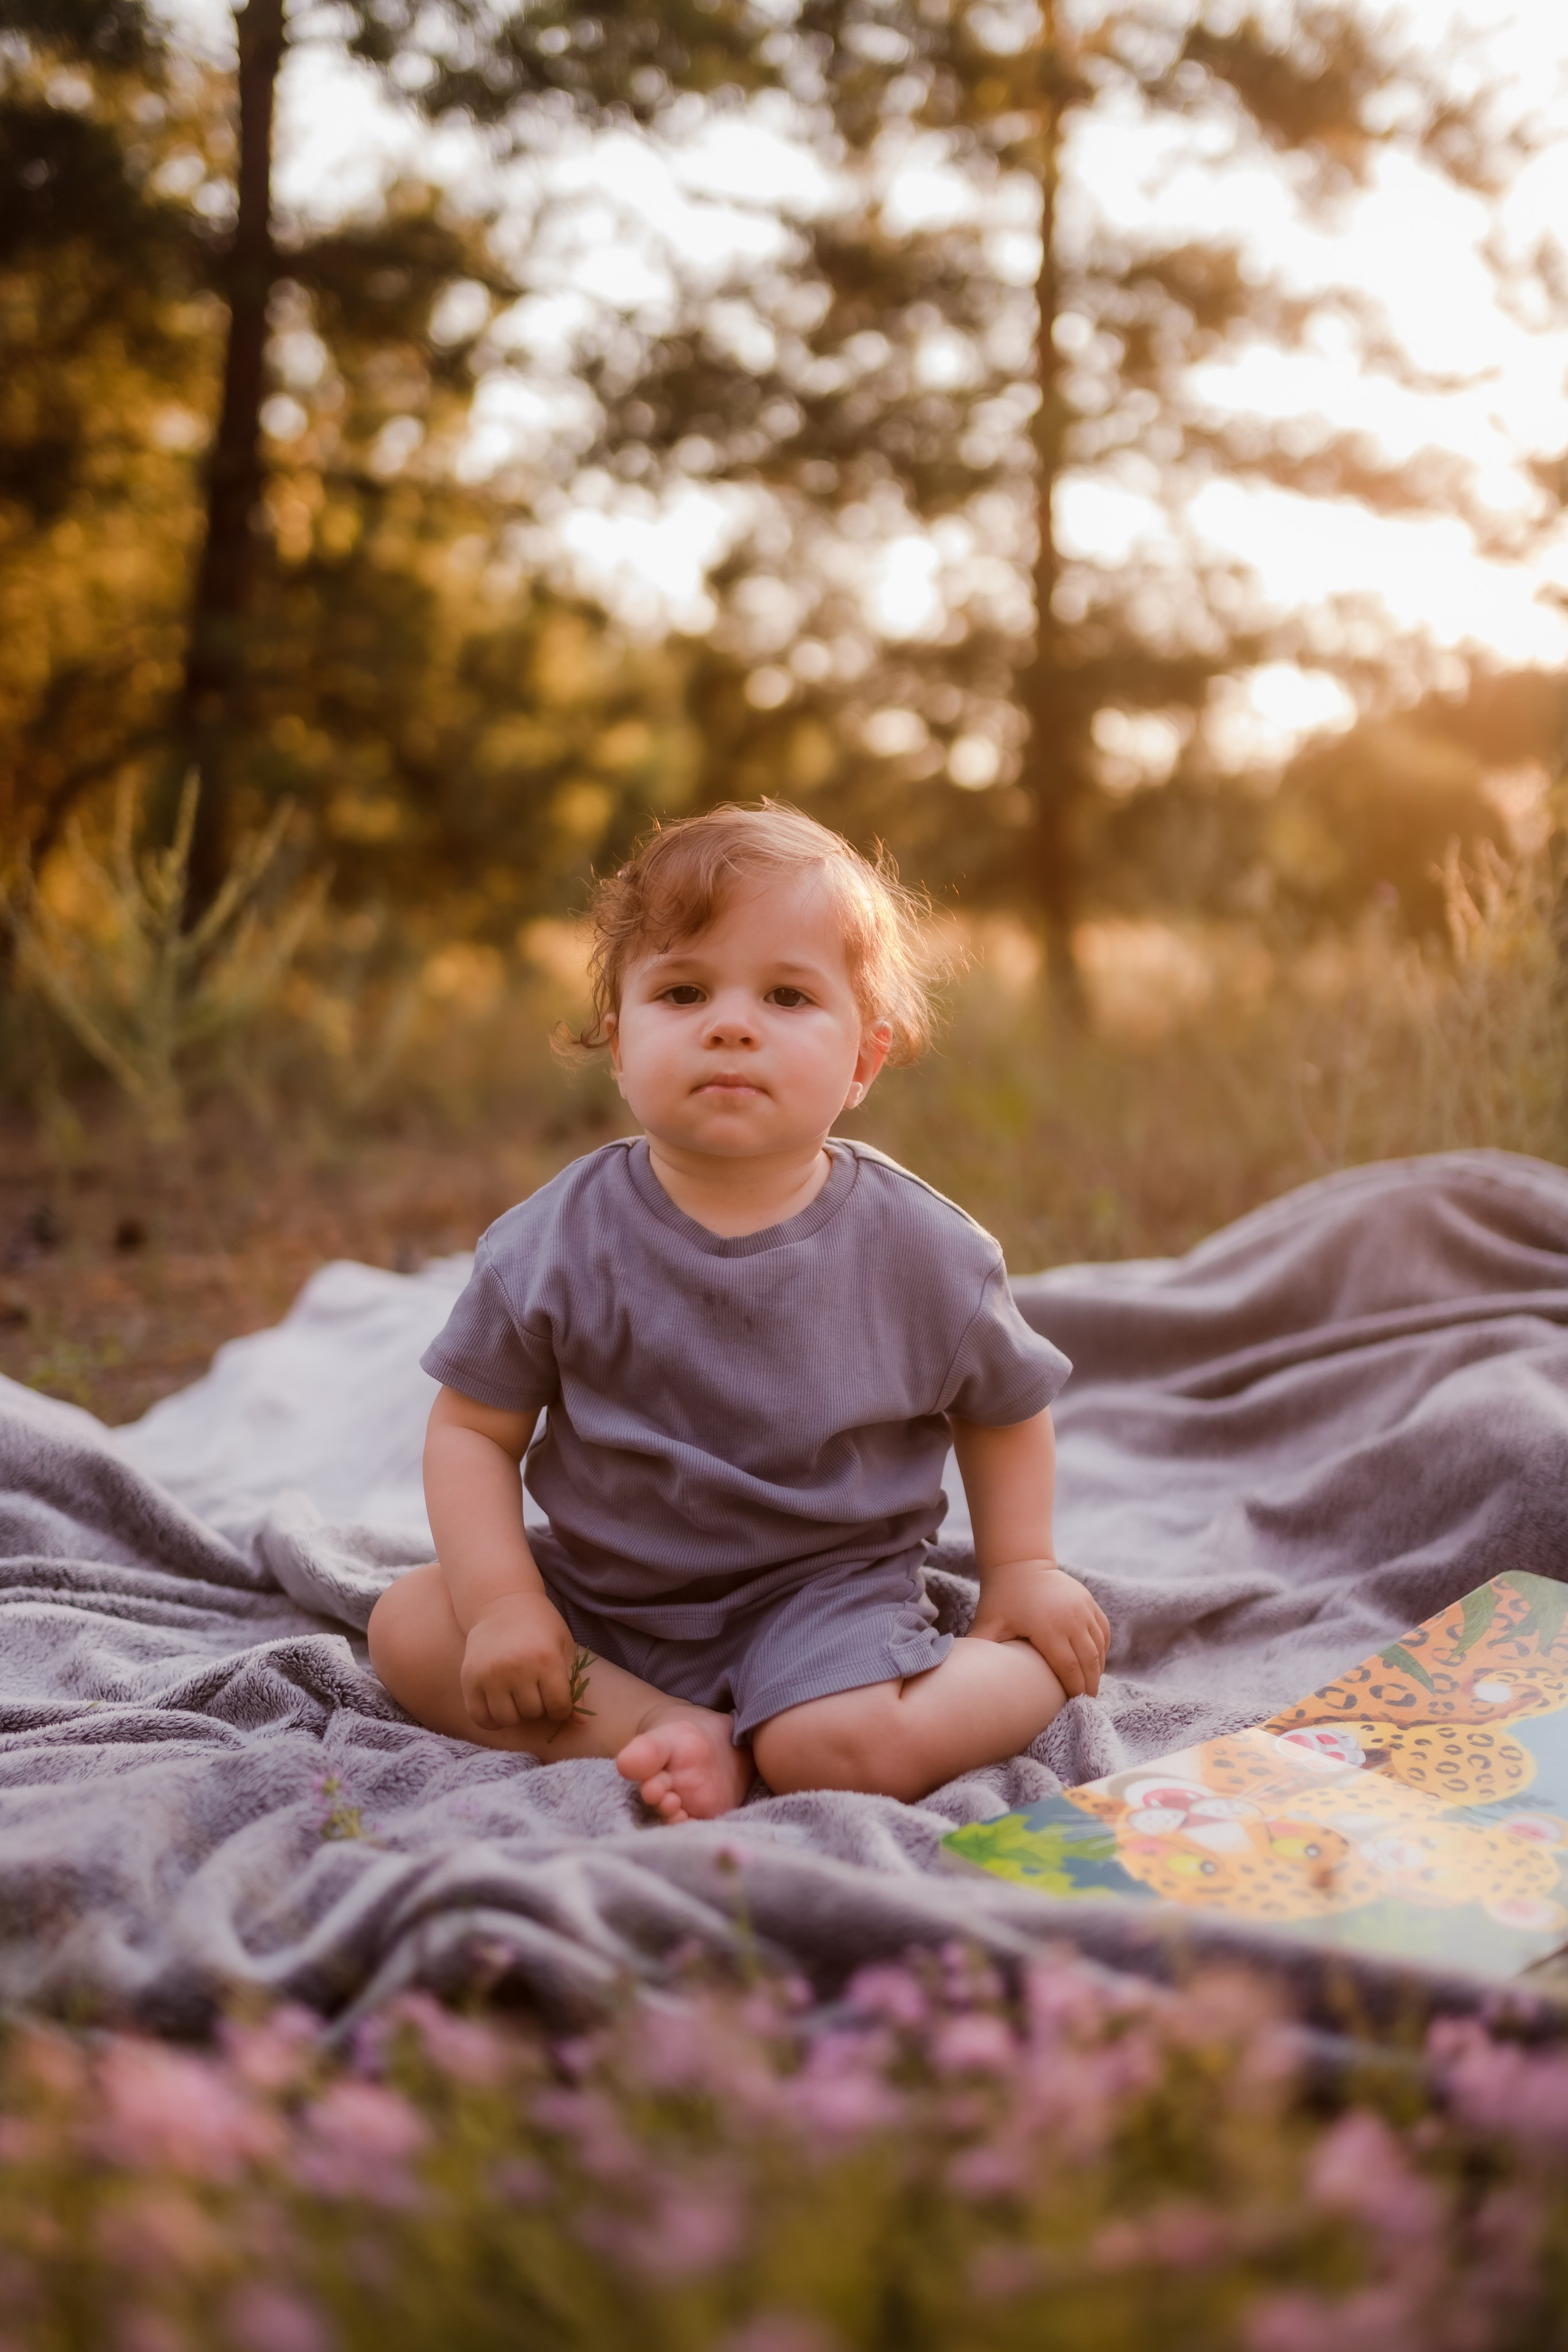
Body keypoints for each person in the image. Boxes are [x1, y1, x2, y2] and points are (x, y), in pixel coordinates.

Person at [368, 802, 1108, 1822]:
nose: (730, 1023)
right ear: (620, 1045)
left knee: (832, 1749)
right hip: (608, 1593)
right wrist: (506, 1607)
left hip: (821, 1599)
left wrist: (1021, 1568)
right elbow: (471, 1434)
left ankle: (1021, 1667)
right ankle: (668, 1729)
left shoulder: (923, 1248)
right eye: (683, 991)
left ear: (863, 1061)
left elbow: (1005, 1407)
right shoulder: (553, 1242)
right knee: (411, 1625)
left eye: (787, 995)